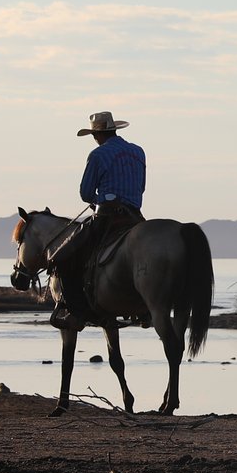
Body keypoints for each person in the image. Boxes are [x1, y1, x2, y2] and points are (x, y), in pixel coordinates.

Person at [47, 109, 146, 331]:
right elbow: (141, 188)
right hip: (135, 216)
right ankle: (146, 310)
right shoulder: (138, 151)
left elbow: (85, 192)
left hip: (108, 215)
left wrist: (97, 199)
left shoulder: (98, 155)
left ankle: (77, 313)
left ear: (96, 135)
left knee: (62, 259)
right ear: (114, 130)